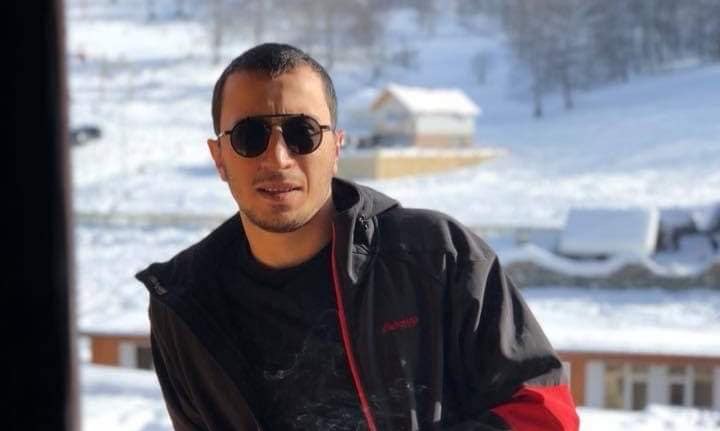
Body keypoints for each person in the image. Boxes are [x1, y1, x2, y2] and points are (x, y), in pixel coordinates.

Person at [136, 43, 579, 431]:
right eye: (250, 136)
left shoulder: (435, 257)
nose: (279, 158)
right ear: (218, 156)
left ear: (336, 146)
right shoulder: (186, 305)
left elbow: (546, 411)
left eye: (302, 133)